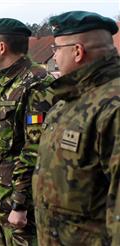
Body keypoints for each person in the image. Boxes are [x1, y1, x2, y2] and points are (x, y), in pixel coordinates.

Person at [32, 11, 120, 245]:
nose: (55, 56)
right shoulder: (69, 101)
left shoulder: (112, 105)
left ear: (78, 52)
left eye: (57, 49)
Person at [0, 18, 55, 245]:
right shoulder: (6, 83)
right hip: (0, 198)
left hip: (21, 207)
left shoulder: (35, 83)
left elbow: (34, 148)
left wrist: (20, 204)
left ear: (2, 47)